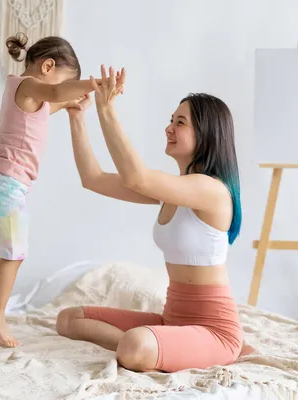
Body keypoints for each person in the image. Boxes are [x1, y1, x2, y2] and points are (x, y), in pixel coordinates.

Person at [57, 65, 245, 373]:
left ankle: (188, 348)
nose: (169, 128)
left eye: (180, 122)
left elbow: (137, 178)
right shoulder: (175, 190)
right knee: (69, 319)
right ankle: (161, 344)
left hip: (215, 329)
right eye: (171, 120)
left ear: (207, 134)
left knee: (135, 347)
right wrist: (78, 116)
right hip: (172, 319)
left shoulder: (211, 190)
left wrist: (107, 109)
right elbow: (92, 178)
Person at [0, 33, 103, 348]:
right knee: (15, 253)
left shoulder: (25, 96)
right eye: (64, 82)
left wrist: (70, 104)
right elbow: (54, 91)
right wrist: (92, 85)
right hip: (7, 185)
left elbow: (48, 104)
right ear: (48, 66)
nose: (59, 92)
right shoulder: (27, 85)